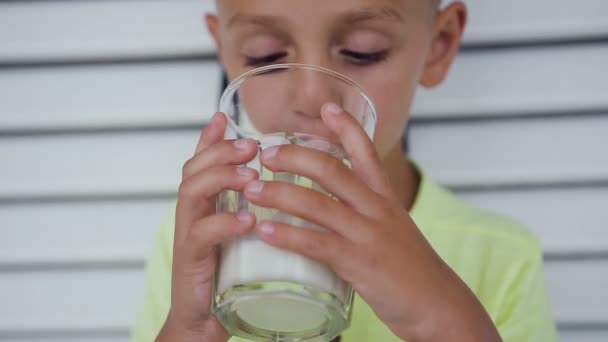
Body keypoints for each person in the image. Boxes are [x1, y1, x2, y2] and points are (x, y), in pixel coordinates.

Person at [132, 0, 558, 341]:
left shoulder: (501, 255)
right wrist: (190, 332)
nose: (313, 97)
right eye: (266, 56)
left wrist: (445, 323)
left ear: (438, 45)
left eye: (362, 50)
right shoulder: (198, 236)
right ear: (224, 51)